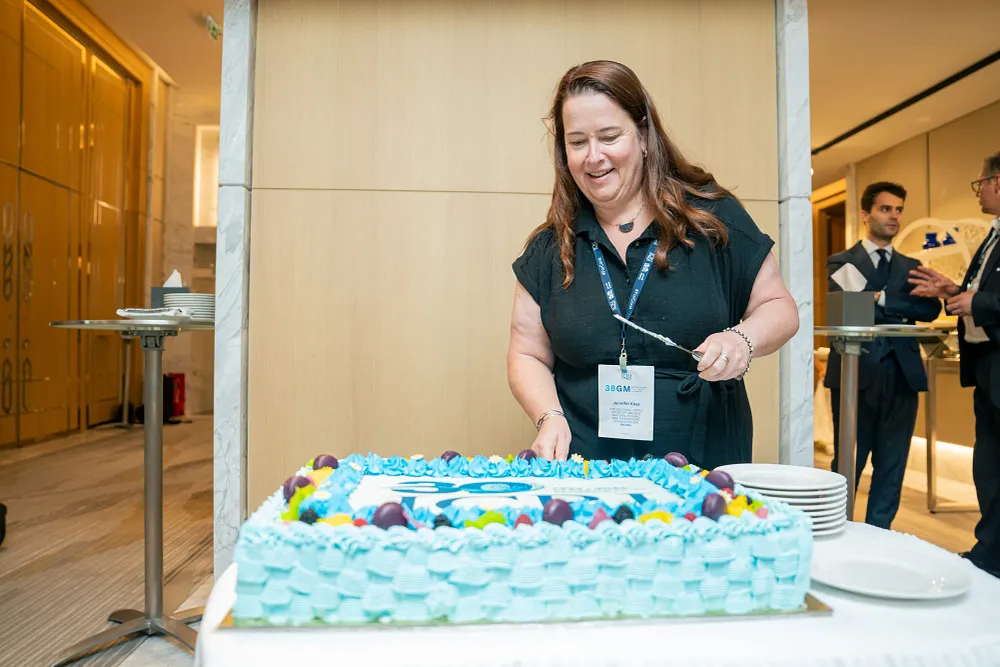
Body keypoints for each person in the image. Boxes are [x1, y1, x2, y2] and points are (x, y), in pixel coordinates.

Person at [506, 60, 799, 465]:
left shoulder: (712, 218)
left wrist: (741, 340)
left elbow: (779, 308)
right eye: (577, 142)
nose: (594, 157)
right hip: (589, 468)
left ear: (644, 135)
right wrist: (549, 416)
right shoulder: (550, 248)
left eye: (609, 137)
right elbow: (527, 354)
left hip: (704, 463)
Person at [824, 182, 941, 530]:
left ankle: (879, 534)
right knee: (849, 462)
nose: (894, 216)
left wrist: (880, 298)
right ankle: (838, 530)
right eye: (885, 209)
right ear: (865, 214)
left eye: (899, 210)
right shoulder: (841, 261)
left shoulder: (913, 265)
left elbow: (930, 309)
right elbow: (851, 304)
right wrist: (901, 305)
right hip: (855, 373)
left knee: (892, 465)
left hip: (903, 375)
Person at [909, 151, 1000, 578]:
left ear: (997, 182)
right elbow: (981, 291)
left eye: (979, 183)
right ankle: (989, 554)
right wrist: (953, 291)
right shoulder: (993, 235)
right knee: (989, 467)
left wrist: (976, 302)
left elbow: (986, 299)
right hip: (987, 368)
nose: (978, 192)